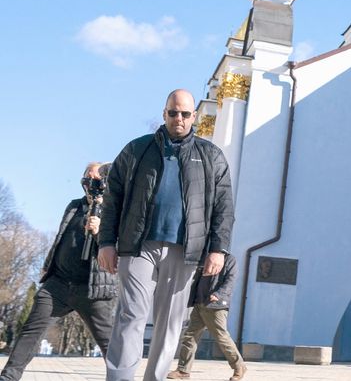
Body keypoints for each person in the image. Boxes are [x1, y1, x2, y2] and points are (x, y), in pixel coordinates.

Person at [99, 89, 235, 381]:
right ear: (164, 114)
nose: (179, 119)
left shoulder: (211, 156)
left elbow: (224, 207)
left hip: (185, 250)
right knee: (130, 315)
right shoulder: (137, 150)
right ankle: (119, 378)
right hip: (138, 246)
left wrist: (218, 249)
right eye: (173, 113)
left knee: (170, 322)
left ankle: (155, 378)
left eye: (185, 114)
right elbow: (113, 199)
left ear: (193, 116)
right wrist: (106, 243)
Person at [0, 163, 116, 381]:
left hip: (93, 288)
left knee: (110, 343)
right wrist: (48, 264)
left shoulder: (115, 210)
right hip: (59, 284)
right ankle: (8, 377)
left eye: (96, 179)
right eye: (87, 178)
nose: (91, 183)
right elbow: (60, 238)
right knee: (31, 331)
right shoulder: (74, 206)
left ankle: (121, 378)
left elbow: (118, 250)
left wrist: (101, 230)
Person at [167, 252, 245, 380]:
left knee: (221, 337)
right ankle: (183, 370)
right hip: (200, 302)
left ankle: (239, 367)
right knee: (190, 336)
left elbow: (231, 280)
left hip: (216, 305)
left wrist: (219, 294)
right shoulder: (205, 255)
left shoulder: (230, 259)